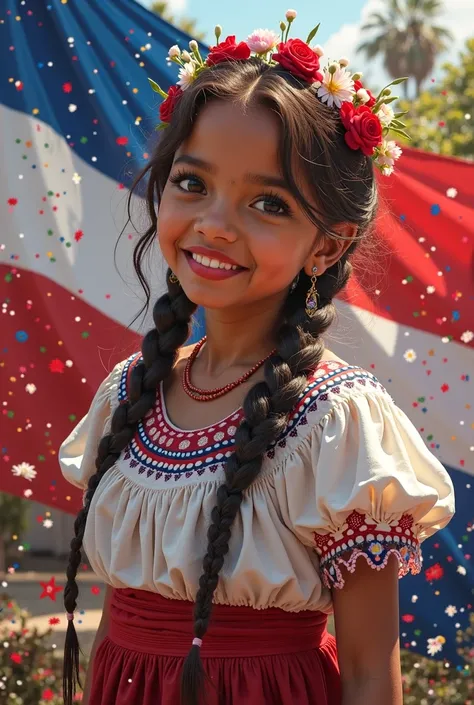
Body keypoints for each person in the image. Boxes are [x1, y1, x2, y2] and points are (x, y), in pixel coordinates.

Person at [59, 10, 455, 705]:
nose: (214, 221)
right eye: (192, 183)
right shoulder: (128, 392)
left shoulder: (335, 423)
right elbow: (116, 632)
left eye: (267, 202)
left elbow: (368, 673)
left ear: (327, 245)